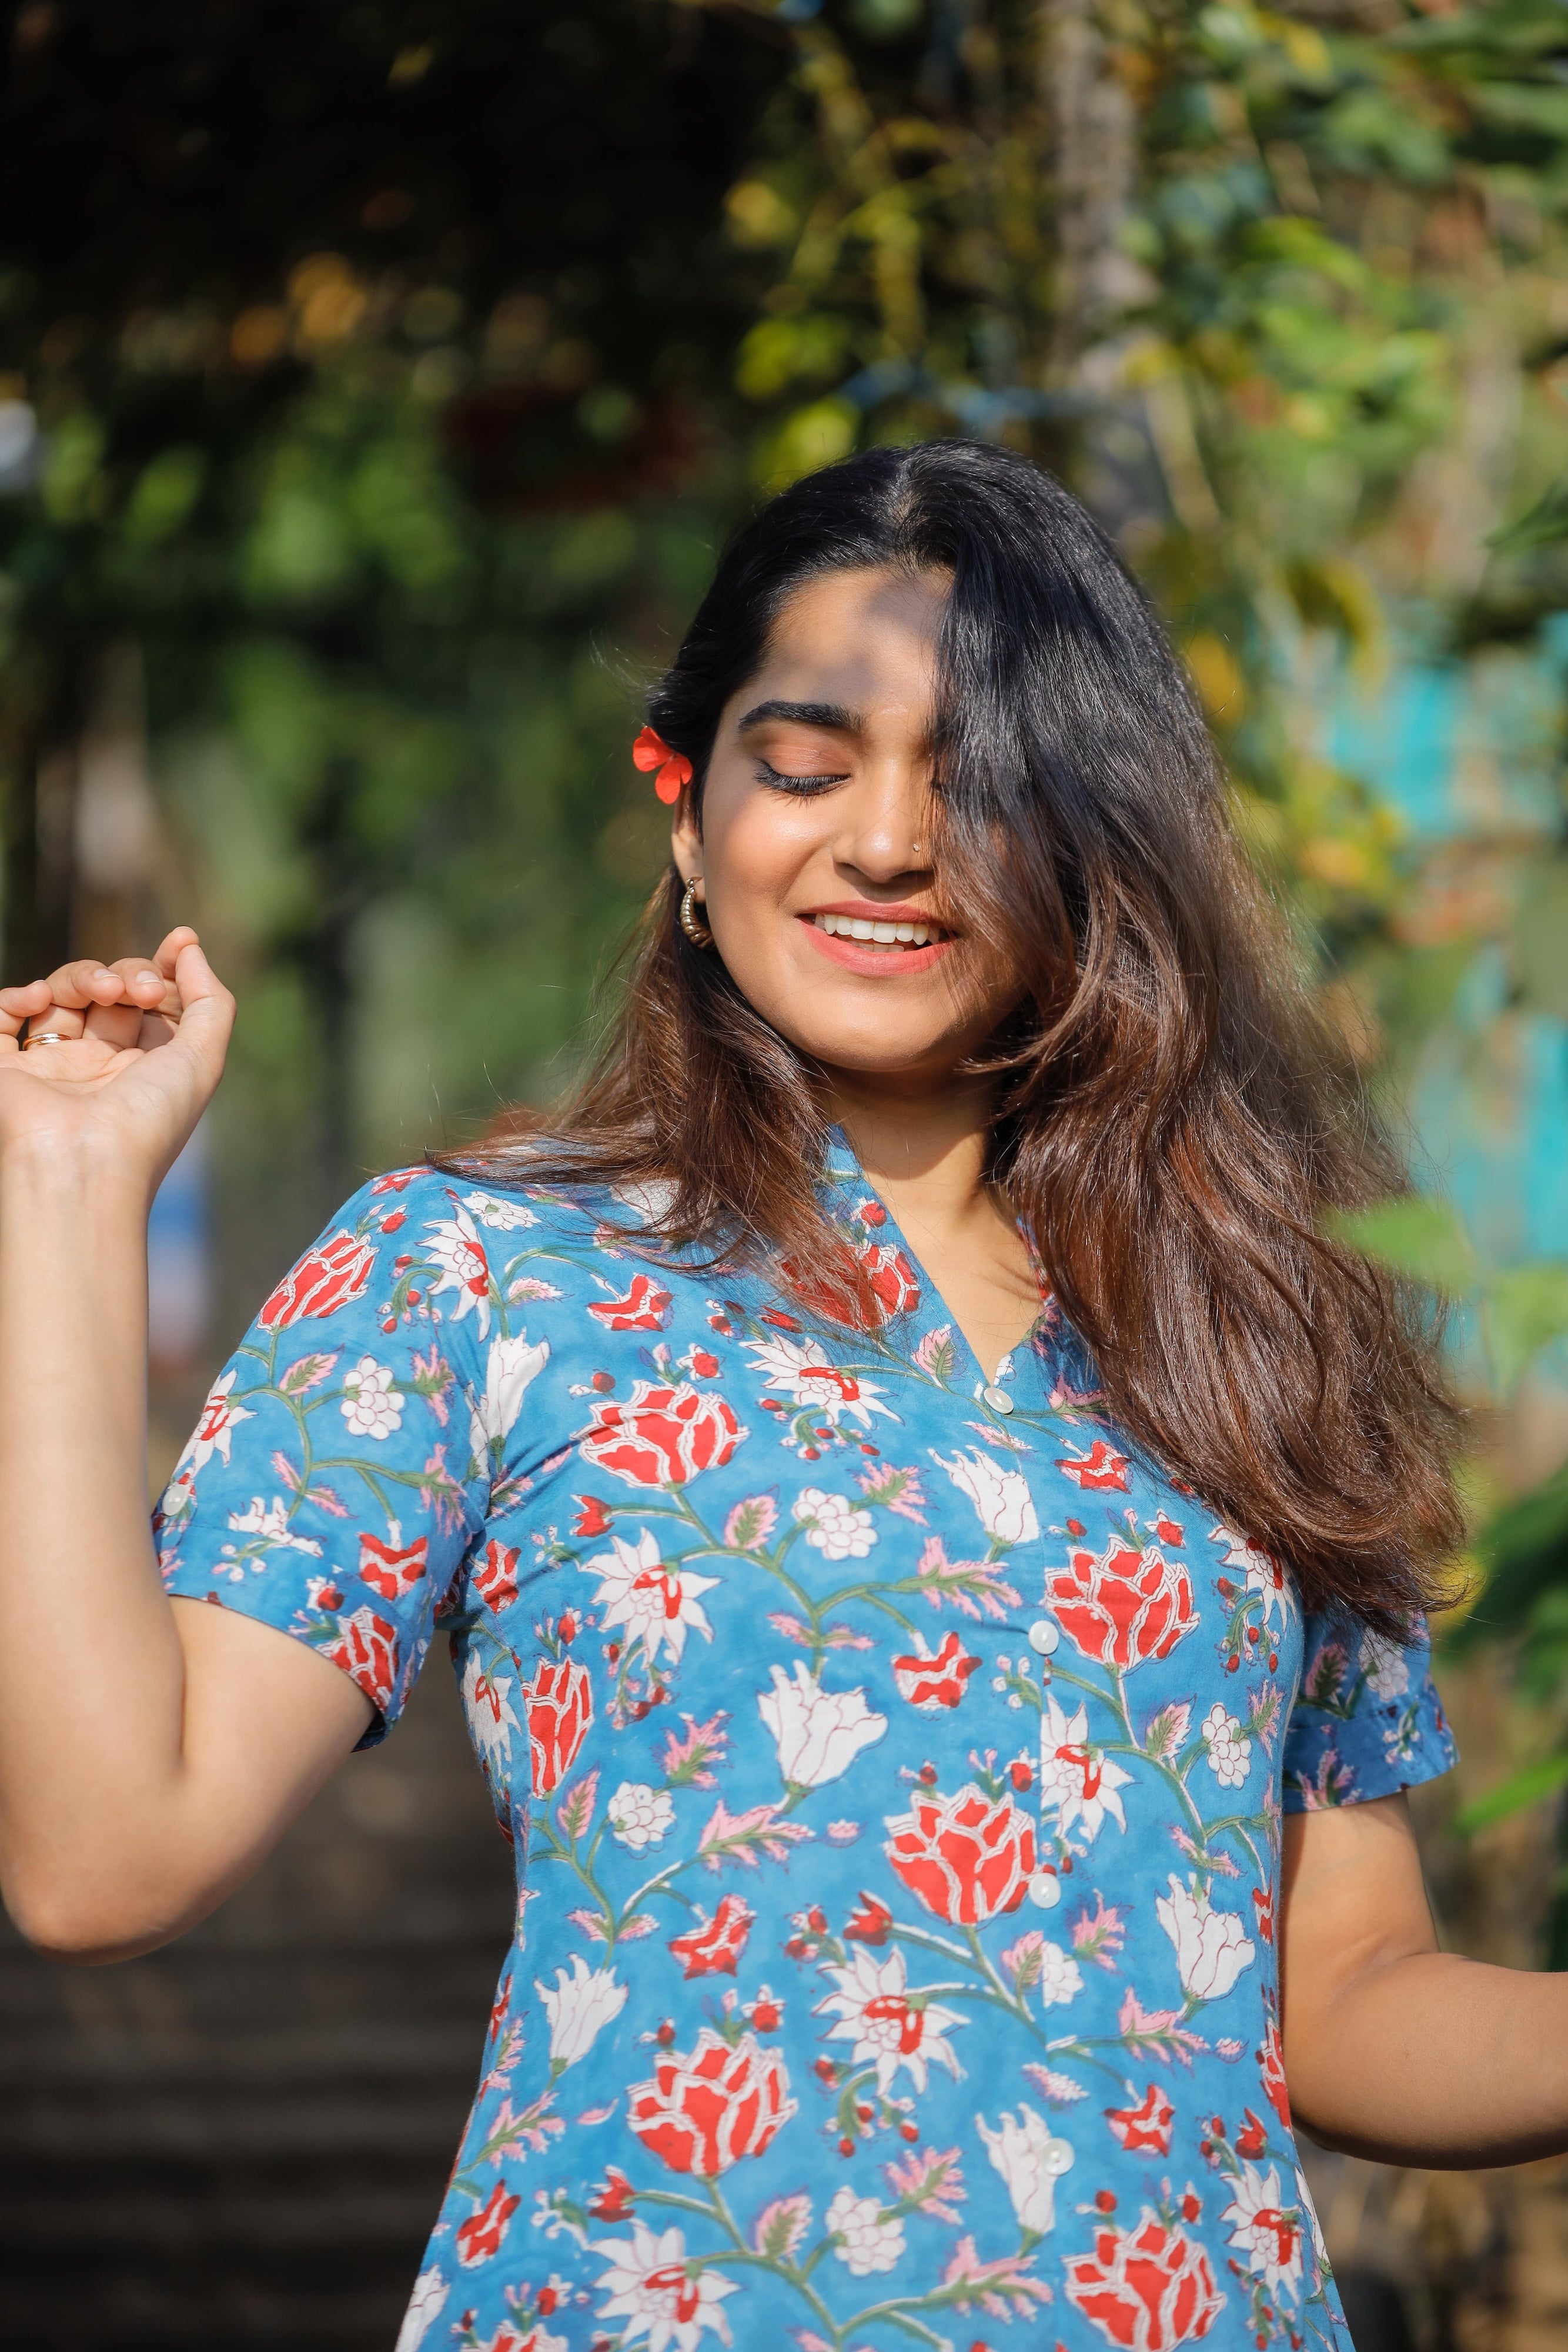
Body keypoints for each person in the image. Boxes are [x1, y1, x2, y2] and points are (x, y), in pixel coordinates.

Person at [0, 441, 1544, 2352]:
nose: (883, 842)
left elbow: (1340, 1992)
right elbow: (101, 1853)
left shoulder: (1250, 1328)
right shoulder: (480, 1274)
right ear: (687, 810)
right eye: (804, 768)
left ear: (1100, 833)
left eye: (979, 786)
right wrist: (69, 1195)